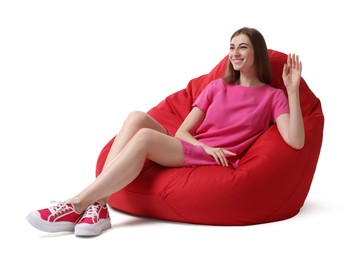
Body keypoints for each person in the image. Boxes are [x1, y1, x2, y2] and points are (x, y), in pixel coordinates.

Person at [26, 27, 305, 237]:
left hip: (215, 160)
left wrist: (292, 90)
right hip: (198, 148)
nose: (235, 53)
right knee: (136, 118)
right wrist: (205, 146)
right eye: (232, 47)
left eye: (242, 47)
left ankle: (76, 203)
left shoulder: (272, 97)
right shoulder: (217, 87)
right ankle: (98, 206)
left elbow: (296, 141)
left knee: (145, 138)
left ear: (257, 51)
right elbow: (184, 131)